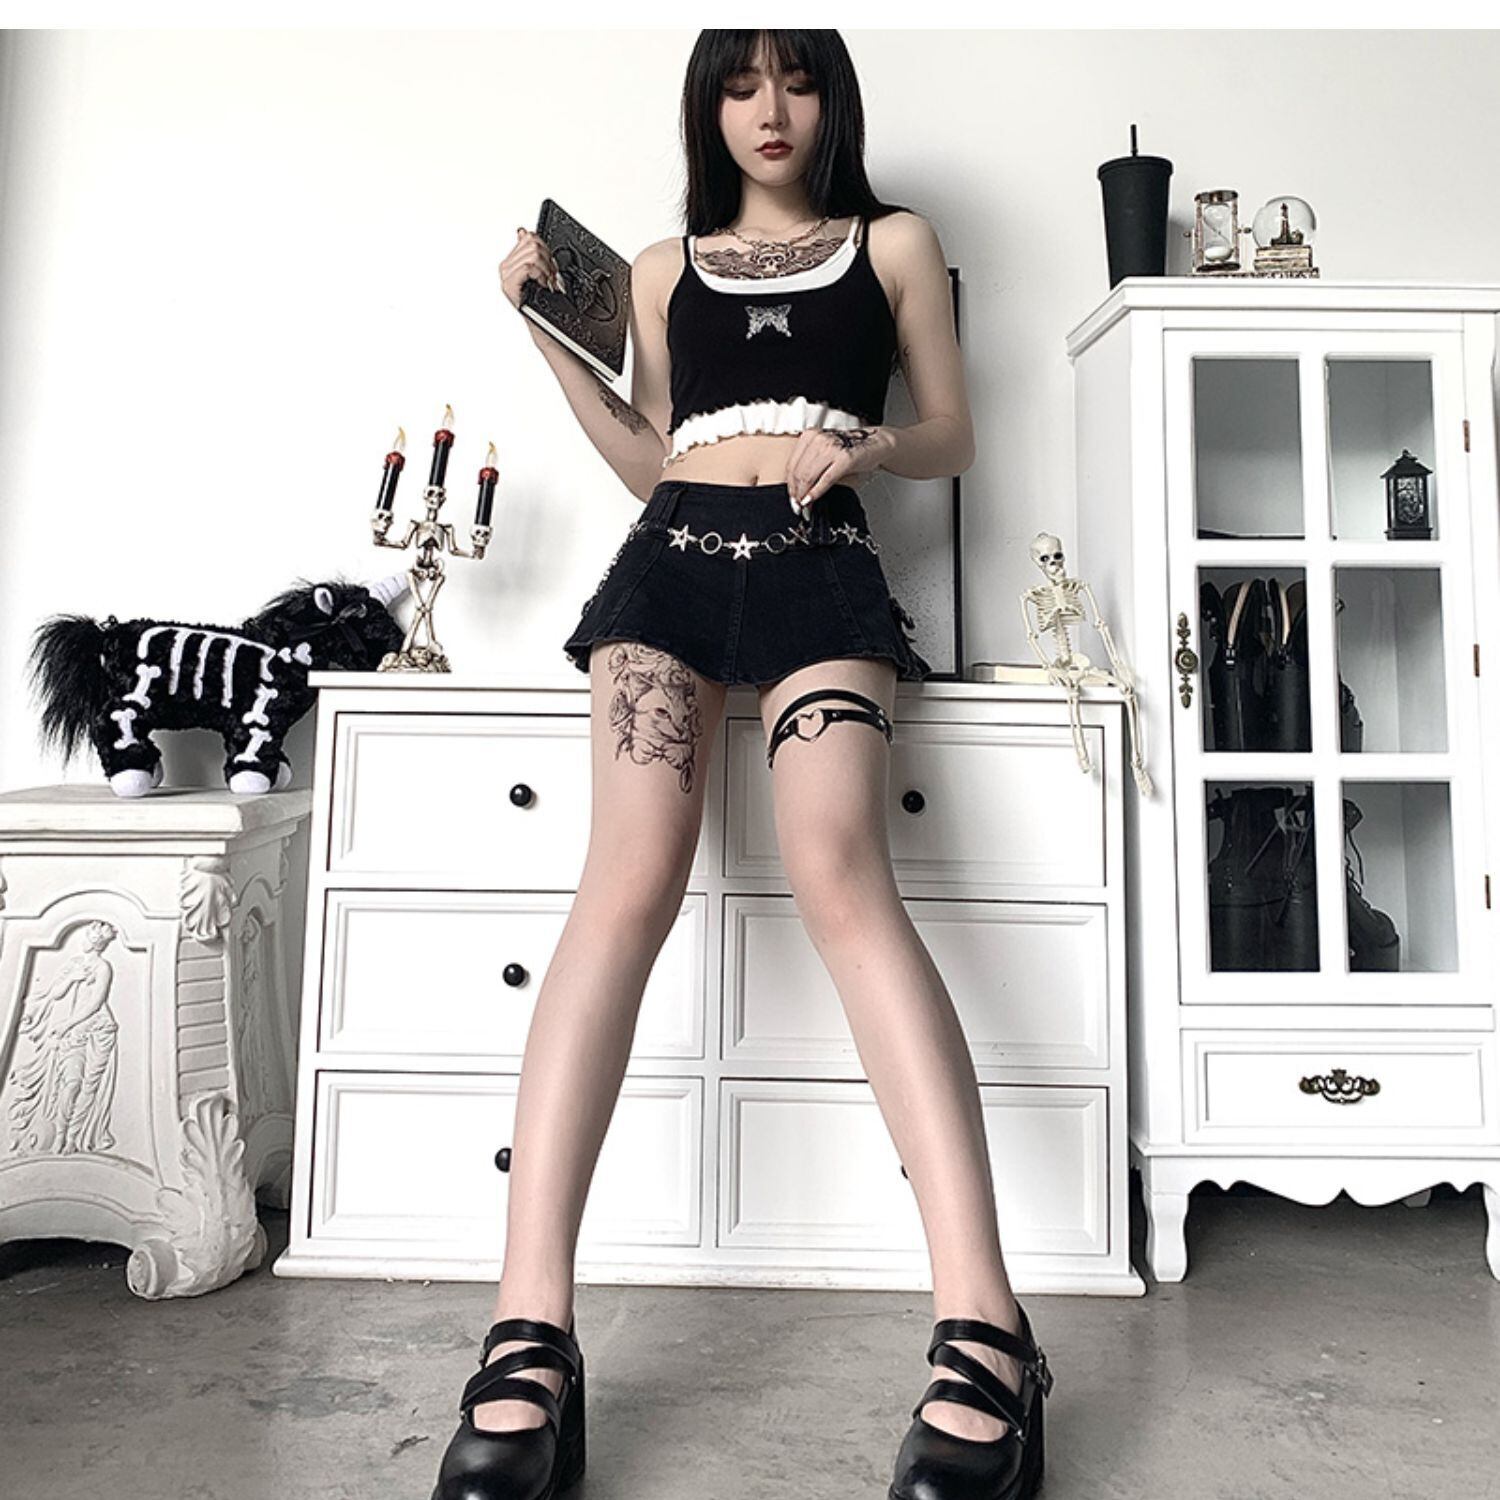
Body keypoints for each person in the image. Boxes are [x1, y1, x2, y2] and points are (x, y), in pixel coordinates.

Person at [431, 29, 1053, 1500]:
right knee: (624, 885)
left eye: (797, 80)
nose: (770, 110)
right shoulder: (661, 268)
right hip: (670, 566)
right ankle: (531, 1331)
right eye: (739, 84)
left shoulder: (894, 243)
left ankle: (989, 1326)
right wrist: (546, 334)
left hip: (821, 561)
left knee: (843, 877)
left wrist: (873, 449)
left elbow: (956, 433)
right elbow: (653, 460)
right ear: (707, 107)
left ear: (834, 99)